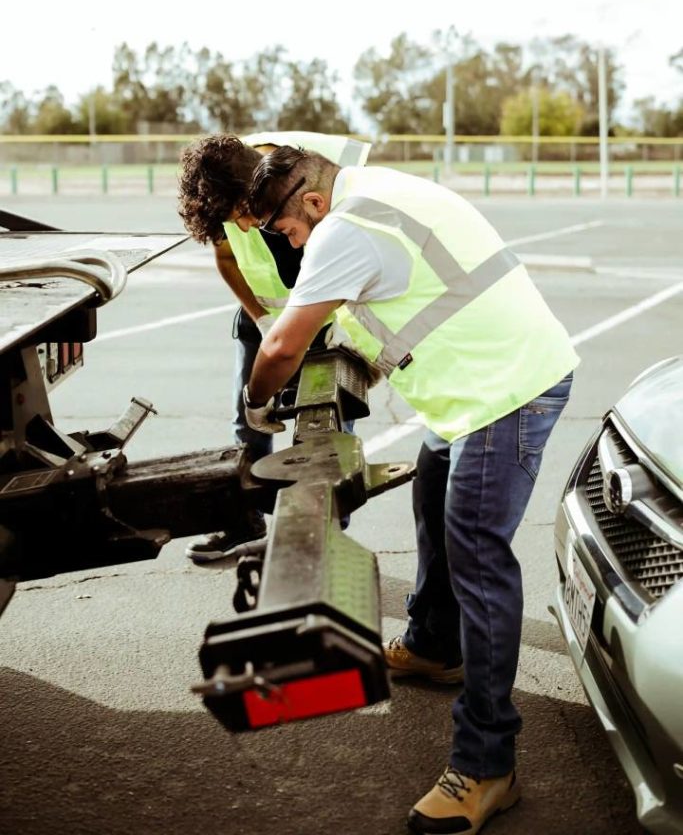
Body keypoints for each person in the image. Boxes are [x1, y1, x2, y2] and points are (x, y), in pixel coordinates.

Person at [243, 146, 579, 835]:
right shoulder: (376, 187)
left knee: (477, 558)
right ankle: (435, 643)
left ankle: (487, 766)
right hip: (478, 387)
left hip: (503, 395)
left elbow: (280, 348)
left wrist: (255, 404)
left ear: (307, 203)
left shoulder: (342, 226)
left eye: (283, 230)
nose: (290, 242)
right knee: (431, 493)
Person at [177, 131, 370, 562]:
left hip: (329, 325)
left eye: (243, 213)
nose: (244, 226)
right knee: (246, 430)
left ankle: (324, 538)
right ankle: (244, 521)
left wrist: (344, 322)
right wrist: (261, 318)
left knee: (327, 432)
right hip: (265, 322)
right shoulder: (223, 187)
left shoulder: (308, 179)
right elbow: (227, 259)